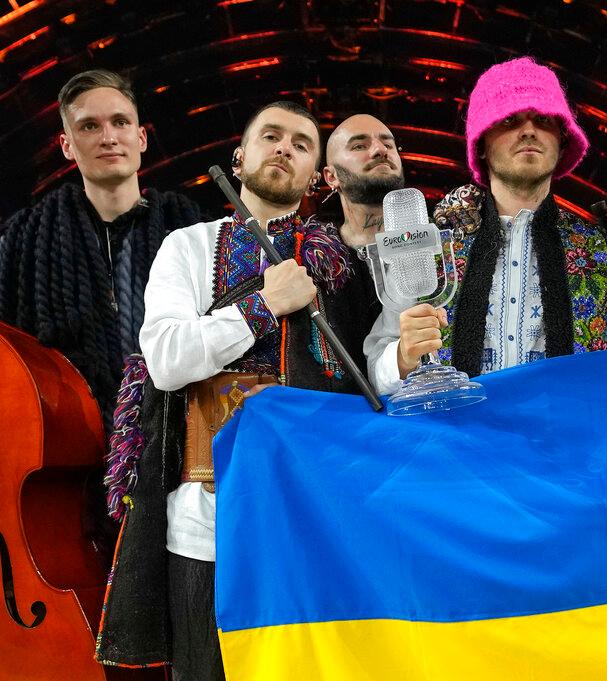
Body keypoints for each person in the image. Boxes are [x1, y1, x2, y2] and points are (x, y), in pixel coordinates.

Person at [96, 101, 381, 680]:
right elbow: (167, 360)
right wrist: (262, 305)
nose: (283, 148)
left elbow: (373, 375)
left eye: (301, 144)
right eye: (270, 136)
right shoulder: (189, 246)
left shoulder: (344, 267)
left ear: (317, 175)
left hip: (313, 512)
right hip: (206, 519)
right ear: (240, 156)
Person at [365, 56, 607, 391]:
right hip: (455, 440)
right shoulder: (426, 244)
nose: (528, 130)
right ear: (482, 142)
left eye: (544, 119)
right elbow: (376, 369)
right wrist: (402, 357)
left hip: (564, 441)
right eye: (510, 119)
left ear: (562, 140)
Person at [0, 69, 202, 430]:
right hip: (64, 444)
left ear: (141, 138)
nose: (108, 137)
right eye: (89, 126)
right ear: (66, 145)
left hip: (174, 440)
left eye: (120, 122)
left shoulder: (189, 227)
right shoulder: (24, 241)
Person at [321, 112, 404, 246]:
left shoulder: (440, 241)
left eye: (388, 145)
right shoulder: (312, 258)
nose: (381, 150)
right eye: (359, 146)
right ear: (332, 177)